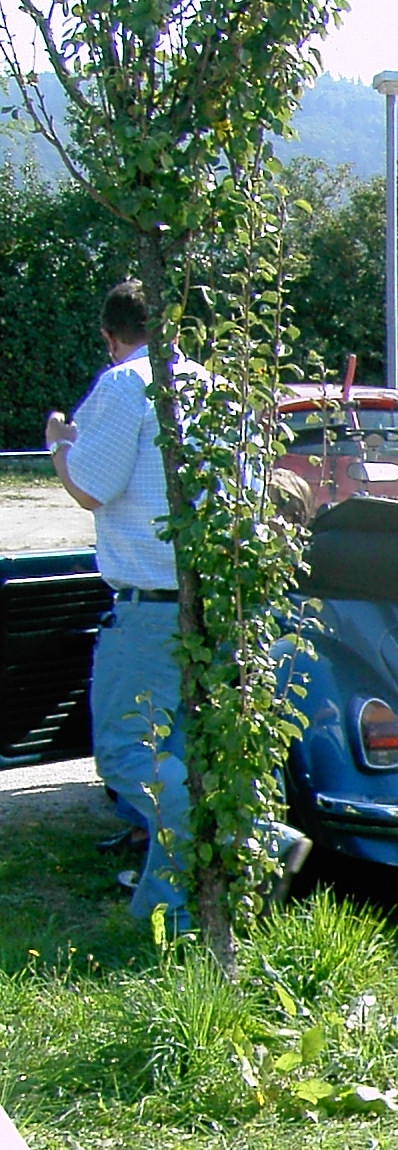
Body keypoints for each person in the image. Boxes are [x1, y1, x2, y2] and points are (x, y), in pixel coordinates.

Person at [45, 280, 193, 923]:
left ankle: (257, 837)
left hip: (149, 603)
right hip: (211, 600)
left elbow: (90, 487)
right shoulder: (214, 386)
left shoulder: (124, 383)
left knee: (126, 752)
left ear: (111, 337)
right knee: (181, 751)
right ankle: (172, 906)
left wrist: (60, 441)